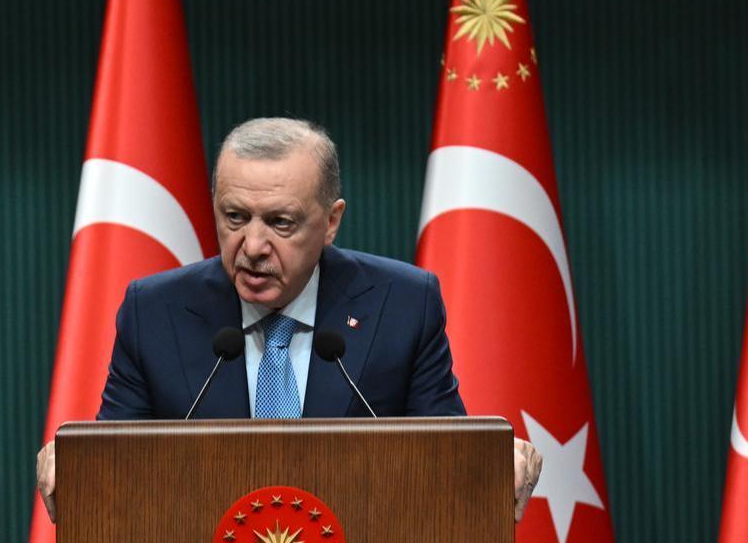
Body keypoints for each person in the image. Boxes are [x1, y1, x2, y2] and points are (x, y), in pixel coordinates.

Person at [37, 117, 542, 521]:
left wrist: (489, 461)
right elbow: (115, 460)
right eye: (235, 217)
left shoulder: (403, 304)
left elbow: (446, 455)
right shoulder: (155, 311)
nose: (253, 247)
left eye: (281, 222)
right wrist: (79, 464)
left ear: (331, 222)